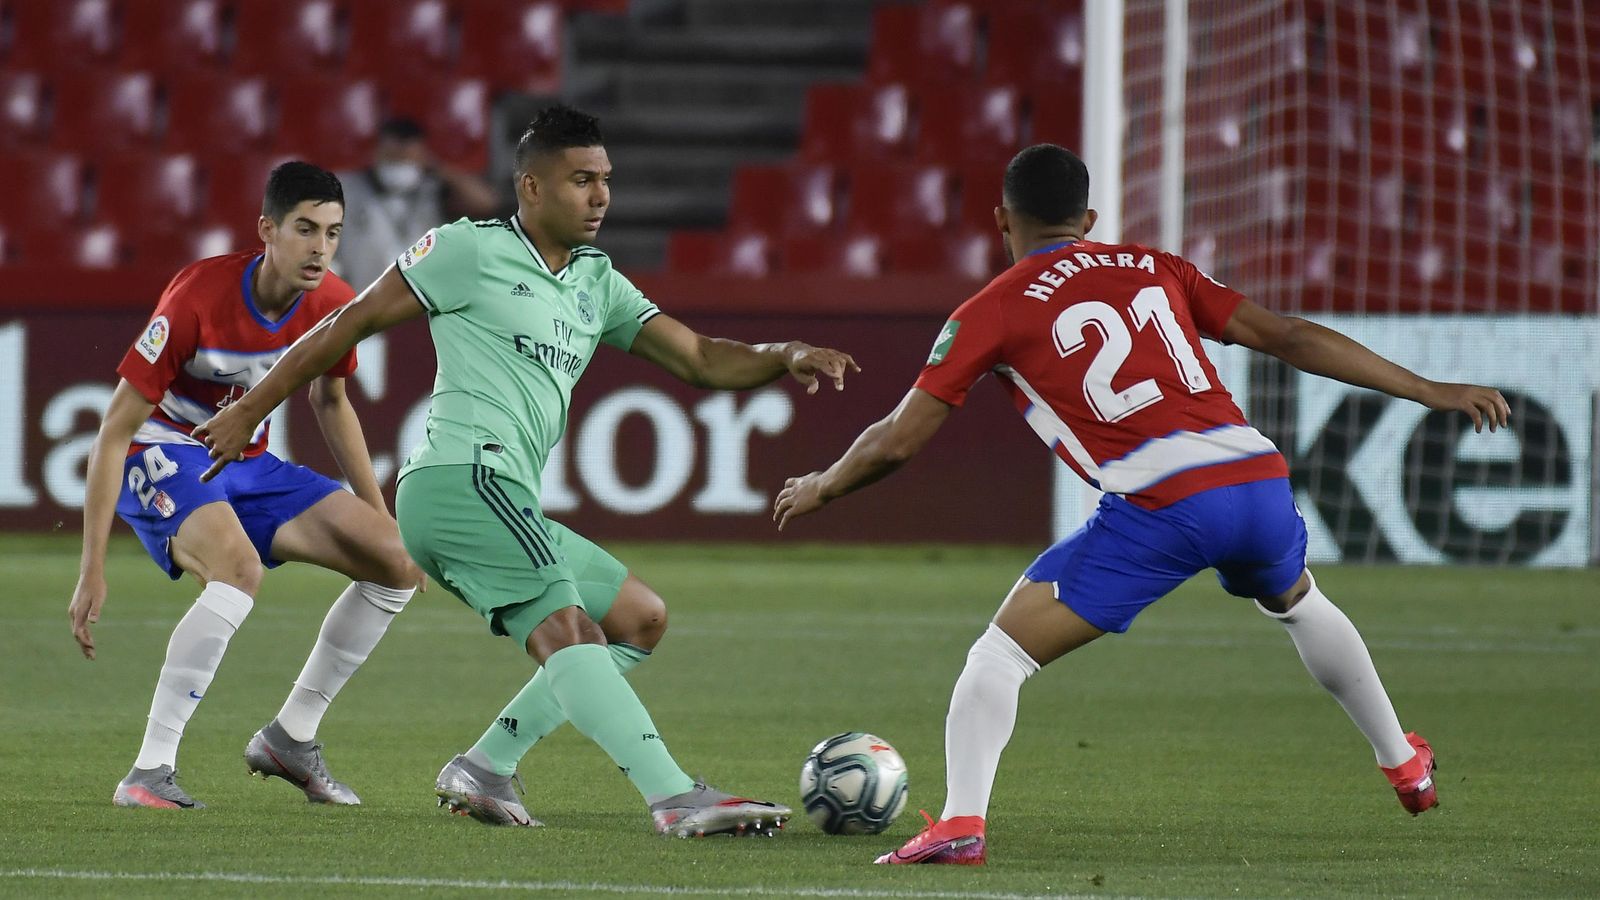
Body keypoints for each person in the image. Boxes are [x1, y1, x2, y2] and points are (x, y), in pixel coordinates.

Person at [773, 144, 1510, 865]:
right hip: (1256, 477)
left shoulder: (991, 308)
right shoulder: (1159, 267)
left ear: (1002, 220)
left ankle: (962, 822)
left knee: (999, 653)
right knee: (1296, 601)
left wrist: (823, 485)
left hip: (1166, 499)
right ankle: (1403, 763)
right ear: (1088, 219)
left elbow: (900, 439)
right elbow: (1285, 335)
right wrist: (1429, 390)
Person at [194, 105, 859, 837]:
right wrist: (248, 409)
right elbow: (342, 326)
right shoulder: (464, 250)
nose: (601, 196)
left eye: (605, 180)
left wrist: (783, 352)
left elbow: (699, 357)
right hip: (460, 479)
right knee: (567, 628)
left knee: (637, 618)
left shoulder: (595, 281)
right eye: (581, 180)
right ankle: (673, 796)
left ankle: (486, 766)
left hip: (504, 495)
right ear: (531, 189)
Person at [70, 162, 423, 809]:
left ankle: (292, 739)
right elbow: (114, 431)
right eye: (305, 229)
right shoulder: (196, 298)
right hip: (164, 448)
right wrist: (91, 566)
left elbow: (333, 400)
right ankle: (148, 772)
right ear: (268, 229)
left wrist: (380, 516)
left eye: (333, 233)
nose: (320, 248)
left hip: (248, 463)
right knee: (236, 569)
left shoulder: (333, 304)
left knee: (396, 563)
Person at [336, 117, 502, 289]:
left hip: (419, 299)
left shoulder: (433, 190)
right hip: (359, 295)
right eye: (391, 156)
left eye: (407, 157)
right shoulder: (346, 187)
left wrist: (436, 166)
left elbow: (486, 203)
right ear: (376, 152)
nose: (399, 162)